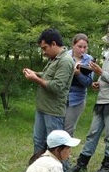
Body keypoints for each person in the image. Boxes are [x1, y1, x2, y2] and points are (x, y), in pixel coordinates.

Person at [67, 21, 109, 172]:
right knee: (93, 133)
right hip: (102, 98)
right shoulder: (108, 55)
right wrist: (99, 83)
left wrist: (101, 72)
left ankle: (106, 166)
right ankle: (81, 164)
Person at [23, 28, 75, 162]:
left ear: (53, 44)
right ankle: (36, 171)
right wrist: (35, 73)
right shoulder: (54, 59)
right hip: (42, 108)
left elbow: (57, 87)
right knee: (38, 142)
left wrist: (36, 79)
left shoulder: (65, 61)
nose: (44, 52)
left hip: (53, 111)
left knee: (55, 146)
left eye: (45, 48)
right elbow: (48, 77)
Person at [64, 33, 94, 137]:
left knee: (68, 129)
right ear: (73, 45)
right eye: (79, 46)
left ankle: (65, 152)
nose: (82, 50)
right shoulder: (65, 56)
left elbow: (88, 82)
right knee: (56, 127)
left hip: (77, 98)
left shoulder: (89, 60)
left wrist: (78, 74)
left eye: (85, 47)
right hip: (61, 96)